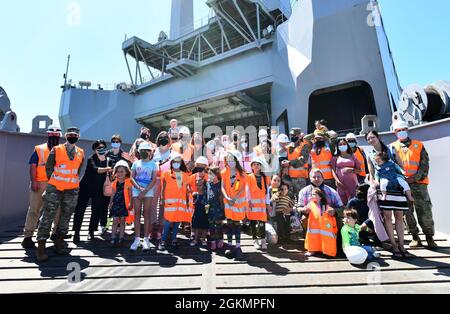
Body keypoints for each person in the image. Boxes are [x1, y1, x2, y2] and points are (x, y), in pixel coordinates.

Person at [36, 127, 85, 262]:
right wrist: (53, 181)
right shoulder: (56, 150)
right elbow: (49, 168)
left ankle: (59, 242)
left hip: (71, 189)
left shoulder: (81, 152)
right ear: (65, 136)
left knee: (65, 217)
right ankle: (41, 247)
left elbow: (78, 170)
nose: (72, 137)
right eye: (70, 135)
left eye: (75, 135)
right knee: (48, 215)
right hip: (55, 188)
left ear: (78, 137)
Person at [391, 121, 437, 248]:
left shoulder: (419, 145)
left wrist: (414, 178)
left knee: (425, 210)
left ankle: (429, 237)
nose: (401, 131)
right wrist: (402, 180)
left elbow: (424, 165)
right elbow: (392, 166)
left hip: (419, 185)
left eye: (403, 129)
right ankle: (415, 237)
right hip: (402, 185)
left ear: (407, 129)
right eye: (398, 130)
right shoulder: (392, 147)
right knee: (407, 212)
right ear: (395, 132)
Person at [366, 130, 411, 258]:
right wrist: (373, 185)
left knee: (399, 215)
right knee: (387, 217)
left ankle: (402, 245)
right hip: (383, 187)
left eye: (372, 137)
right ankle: (394, 245)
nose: (371, 140)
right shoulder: (369, 154)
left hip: (396, 185)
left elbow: (400, 165)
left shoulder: (391, 149)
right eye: (368, 139)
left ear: (378, 137)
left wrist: (402, 180)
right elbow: (371, 172)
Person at [22, 125, 62, 249]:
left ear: (59, 136)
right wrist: (33, 181)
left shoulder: (63, 150)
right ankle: (27, 237)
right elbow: (33, 165)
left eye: (56, 135)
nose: (54, 137)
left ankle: (55, 234)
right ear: (48, 135)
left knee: (58, 210)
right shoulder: (39, 149)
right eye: (52, 135)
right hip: (40, 183)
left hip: (57, 184)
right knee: (34, 210)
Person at [72, 140, 112, 244]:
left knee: (96, 211)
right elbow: (95, 169)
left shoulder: (108, 160)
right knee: (80, 210)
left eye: (103, 147)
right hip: (86, 187)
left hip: (98, 189)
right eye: (98, 147)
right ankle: (76, 232)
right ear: (94, 149)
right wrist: (108, 169)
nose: (101, 149)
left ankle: (91, 232)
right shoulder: (91, 158)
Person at [129, 142, 158, 251]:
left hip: (148, 191)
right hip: (137, 190)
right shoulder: (136, 163)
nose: (144, 152)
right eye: (142, 151)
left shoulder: (154, 164)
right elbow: (132, 178)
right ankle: (136, 239)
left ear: (151, 152)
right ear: (139, 152)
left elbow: (154, 179)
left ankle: (146, 239)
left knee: (147, 213)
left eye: (147, 150)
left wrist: (144, 191)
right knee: (137, 212)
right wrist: (139, 189)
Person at [159, 154, 191, 251]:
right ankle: (162, 240)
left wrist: (187, 203)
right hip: (169, 204)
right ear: (171, 163)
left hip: (180, 204)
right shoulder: (166, 174)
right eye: (174, 161)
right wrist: (162, 200)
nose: (176, 163)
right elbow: (163, 188)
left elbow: (186, 190)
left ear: (181, 163)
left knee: (177, 222)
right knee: (167, 222)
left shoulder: (185, 175)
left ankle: (174, 239)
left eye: (178, 161)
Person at [222, 151, 248, 260]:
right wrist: (227, 197)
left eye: (232, 160)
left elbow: (242, 187)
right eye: (228, 160)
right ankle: (229, 245)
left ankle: (238, 246)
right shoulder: (224, 172)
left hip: (238, 204)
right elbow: (222, 187)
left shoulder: (242, 173)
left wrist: (235, 198)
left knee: (237, 224)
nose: (230, 162)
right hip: (228, 203)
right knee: (229, 224)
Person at [151, 131, 175, 240]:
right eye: (161, 138)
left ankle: (160, 227)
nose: (163, 140)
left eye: (166, 138)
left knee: (163, 205)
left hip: (167, 182)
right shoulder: (153, 152)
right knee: (152, 204)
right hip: (155, 181)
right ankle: (152, 227)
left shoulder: (172, 153)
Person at [302, 187, 338, 257]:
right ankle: (311, 250)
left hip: (325, 229)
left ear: (320, 196)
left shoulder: (327, 207)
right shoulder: (310, 204)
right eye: (311, 194)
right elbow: (305, 209)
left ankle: (328, 251)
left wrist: (333, 212)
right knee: (312, 237)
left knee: (327, 238)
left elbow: (333, 216)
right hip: (313, 228)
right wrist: (304, 210)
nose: (312, 196)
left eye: (314, 194)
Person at [246, 157, 270, 250]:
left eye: (258, 164)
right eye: (254, 165)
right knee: (253, 222)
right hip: (252, 204)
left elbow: (267, 192)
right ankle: (255, 241)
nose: (256, 166)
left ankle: (263, 240)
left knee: (262, 223)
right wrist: (248, 201)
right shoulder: (249, 177)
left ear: (260, 167)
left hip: (261, 205)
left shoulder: (264, 177)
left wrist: (267, 203)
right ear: (251, 167)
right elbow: (247, 190)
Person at [108, 161, 133, 247]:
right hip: (116, 204)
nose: (119, 173)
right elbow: (113, 193)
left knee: (122, 221)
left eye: (122, 171)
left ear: (126, 172)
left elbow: (130, 194)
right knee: (115, 221)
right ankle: (113, 237)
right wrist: (110, 203)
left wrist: (131, 203)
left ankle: (121, 238)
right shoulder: (115, 182)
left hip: (124, 204)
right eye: (118, 171)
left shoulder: (129, 182)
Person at [331, 139, 360, 204]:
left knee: (354, 202)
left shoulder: (353, 156)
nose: (342, 145)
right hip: (341, 184)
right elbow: (333, 170)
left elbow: (359, 170)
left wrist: (352, 170)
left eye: (344, 144)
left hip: (353, 183)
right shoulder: (335, 157)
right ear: (337, 147)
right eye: (340, 144)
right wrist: (337, 181)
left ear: (347, 145)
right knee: (342, 202)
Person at [188, 156, 210, 244]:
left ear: (206, 166)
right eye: (198, 165)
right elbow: (188, 186)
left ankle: (204, 236)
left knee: (205, 218)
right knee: (195, 218)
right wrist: (192, 193)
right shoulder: (192, 177)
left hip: (206, 202)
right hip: (194, 202)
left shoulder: (209, 177)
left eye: (202, 165)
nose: (199, 167)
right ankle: (194, 235)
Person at [286, 128, 310, 201]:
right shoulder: (290, 146)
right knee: (291, 200)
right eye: (291, 135)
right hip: (290, 178)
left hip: (300, 178)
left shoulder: (304, 145)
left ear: (299, 136)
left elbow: (303, 160)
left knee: (302, 199)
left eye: (294, 135)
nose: (292, 137)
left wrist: (290, 163)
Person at [207, 167, 225, 251]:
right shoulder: (208, 183)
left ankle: (220, 240)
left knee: (219, 225)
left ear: (216, 175)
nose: (209, 175)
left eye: (211, 174)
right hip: (210, 208)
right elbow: (206, 194)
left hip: (219, 208)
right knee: (211, 226)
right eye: (209, 174)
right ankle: (213, 241)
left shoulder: (221, 184)